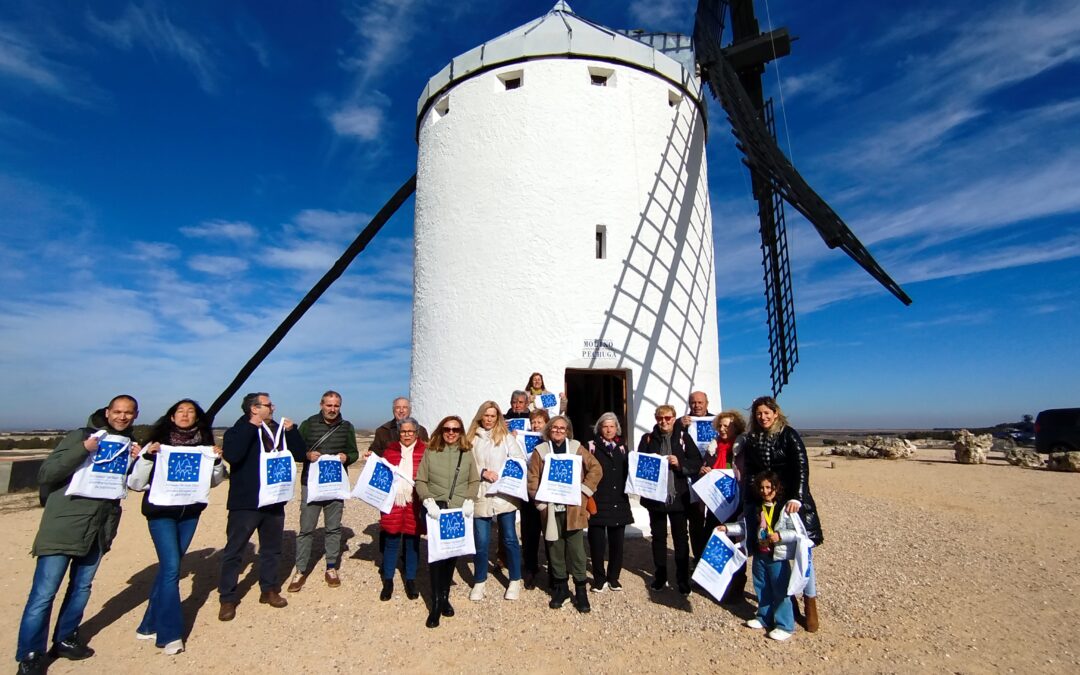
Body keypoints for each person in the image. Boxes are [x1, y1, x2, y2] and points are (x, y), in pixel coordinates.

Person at [16, 395, 142, 674]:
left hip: (98, 529)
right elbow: (47, 473)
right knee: (44, 594)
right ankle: (31, 654)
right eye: (118, 412)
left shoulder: (126, 445)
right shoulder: (81, 437)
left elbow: (122, 486)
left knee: (81, 589)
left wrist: (135, 461)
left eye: (128, 413)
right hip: (63, 526)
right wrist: (83, 449)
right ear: (107, 412)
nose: (122, 417)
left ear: (135, 416)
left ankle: (65, 639)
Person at [127, 399, 226, 656]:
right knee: (172, 568)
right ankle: (170, 634)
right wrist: (148, 457)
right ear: (171, 417)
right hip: (160, 514)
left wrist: (216, 463)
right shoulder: (156, 444)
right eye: (180, 411)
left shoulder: (203, 445)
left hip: (190, 513)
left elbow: (213, 483)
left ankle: (148, 624)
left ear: (197, 418)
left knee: (169, 568)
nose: (185, 415)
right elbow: (136, 483)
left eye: (190, 411)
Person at [217, 392, 305, 622]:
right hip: (246, 502)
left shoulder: (277, 430)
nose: (273, 408)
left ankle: (269, 589)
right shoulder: (236, 431)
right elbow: (233, 456)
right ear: (254, 409)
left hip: (274, 500)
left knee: (271, 550)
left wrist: (292, 432)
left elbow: (299, 454)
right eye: (268, 405)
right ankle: (227, 598)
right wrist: (250, 427)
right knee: (234, 551)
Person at [742, 395, 823, 632]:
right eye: (759, 413)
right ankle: (783, 606)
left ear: (776, 413)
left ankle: (810, 603)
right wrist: (752, 499)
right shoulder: (753, 438)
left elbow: (801, 466)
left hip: (791, 503)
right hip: (767, 500)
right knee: (770, 554)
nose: (763, 417)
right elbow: (752, 471)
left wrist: (797, 496)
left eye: (767, 413)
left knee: (802, 554)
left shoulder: (788, 434)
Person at [527, 415, 602, 613]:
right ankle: (560, 589)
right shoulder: (541, 451)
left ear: (567, 431)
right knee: (555, 549)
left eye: (562, 428)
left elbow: (595, 468)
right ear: (549, 430)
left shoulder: (576, 448)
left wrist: (584, 491)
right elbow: (532, 476)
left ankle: (581, 591)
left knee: (577, 550)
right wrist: (539, 502)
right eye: (555, 428)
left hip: (573, 508)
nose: (558, 431)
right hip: (551, 508)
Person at [287, 391, 359, 593]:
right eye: (329, 405)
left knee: (334, 529)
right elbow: (296, 450)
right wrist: (307, 454)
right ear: (321, 404)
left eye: (336, 405)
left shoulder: (347, 427)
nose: (332, 409)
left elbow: (354, 451)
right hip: (311, 484)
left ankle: (331, 567)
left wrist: (348, 457)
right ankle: (300, 570)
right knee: (306, 529)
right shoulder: (309, 424)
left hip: (335, 485)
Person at [717, 471, 799, 641]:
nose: (765, 491)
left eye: (769, 487)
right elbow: (745, 526)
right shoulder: (755, 508)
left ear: (776, 488)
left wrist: (780, 535)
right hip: (759, 554)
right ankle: (764, 617)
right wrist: (727, 528)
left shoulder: (784, 509)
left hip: (777, 556)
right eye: (761, 487)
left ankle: (785, 624)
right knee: (761, 586)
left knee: (781, 589)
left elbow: (795, 531)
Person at [415, 416, 480, 628]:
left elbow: (474, 480)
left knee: (451, 555)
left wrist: (470, 499)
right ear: (440, 430)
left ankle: (444, 597)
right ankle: (435, 604)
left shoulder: (466, 452)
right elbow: (421, 481)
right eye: (447, 429)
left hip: (458, 510)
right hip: (437, 511)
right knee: (436, 557)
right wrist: (427, 500)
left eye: (455, 429)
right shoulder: (431, 451)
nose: (451, 433)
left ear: (461, 432)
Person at [637, 404, 702, 595]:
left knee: (681, 539)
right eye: (660, 418)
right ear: (655, 419)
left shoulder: (683, 437)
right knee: (658, 538)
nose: (664, 421)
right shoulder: (647, 439)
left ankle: (682, 579)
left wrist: (679, 463)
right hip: (655, 497)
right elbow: (640, 464)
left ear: (674, 418)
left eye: (668, 418)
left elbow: (696, 462)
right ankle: (660, 576)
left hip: (678, 496)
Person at [465, 401, 525, 601]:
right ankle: (479, 581)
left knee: (509, 538)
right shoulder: (471, 438)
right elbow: (465, 464)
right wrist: (482, 472)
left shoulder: (506, 437)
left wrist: (504, 476)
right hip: (480, 493)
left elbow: (518, 459)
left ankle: (515, 579)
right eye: (486, 415)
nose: (489, 419)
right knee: (481, 541)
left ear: (498, 417)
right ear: (480, 416)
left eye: (493, 415)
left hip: (504, 494)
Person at [700, 410, 748, 604]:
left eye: (727, 425)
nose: (722, 429)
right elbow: (705, 467)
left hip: (736, 502)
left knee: (735, 542)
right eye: (720, 425)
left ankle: (736, 585)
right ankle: (715, 581)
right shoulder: (713, 448)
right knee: (713, 538)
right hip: (716, 503)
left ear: (736, 427)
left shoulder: (742, 449)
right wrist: (704, 470)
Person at [378, 417, 426, 601]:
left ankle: (411, 579)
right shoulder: (389, 451)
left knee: (412, 543)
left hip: (415, 503)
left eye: (410, 431)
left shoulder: (425, 451)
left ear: (416, 432)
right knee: (391, 541)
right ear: (399, 432)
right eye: (403, 431)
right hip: (394, 503)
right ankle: (388, 580)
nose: (407, 435)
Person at [586, 413, 632, 593]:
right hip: (598, 500)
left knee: (617, 543)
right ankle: (599, 578)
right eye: (605, 426)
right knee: (596, 542)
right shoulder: (591, 447)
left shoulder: (622, 448)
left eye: (612, 426)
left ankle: (614, 577)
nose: (609, 429)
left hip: (618, 500)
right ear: (599, 428)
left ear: (617, 428)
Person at [681, 391, 713, 564]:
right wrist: (680, 424)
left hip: (713, 476)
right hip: (692, 478)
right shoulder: (683, 423)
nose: (697, 406)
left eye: (700, 402)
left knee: (715, 520)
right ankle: (698, 558)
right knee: (695, 521)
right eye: (693, 403)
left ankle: (711, 560)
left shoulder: (717, 421)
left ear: (707, 403)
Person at [519, 408, 550, 589]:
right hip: (529, 492)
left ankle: (553, 570)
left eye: (539, 422)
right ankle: (530, 568)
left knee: (549, 532)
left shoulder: (550, 440)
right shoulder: (523, 439)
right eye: (533, 422)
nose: (535, 425)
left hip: (546, 492)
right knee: (529, 533)